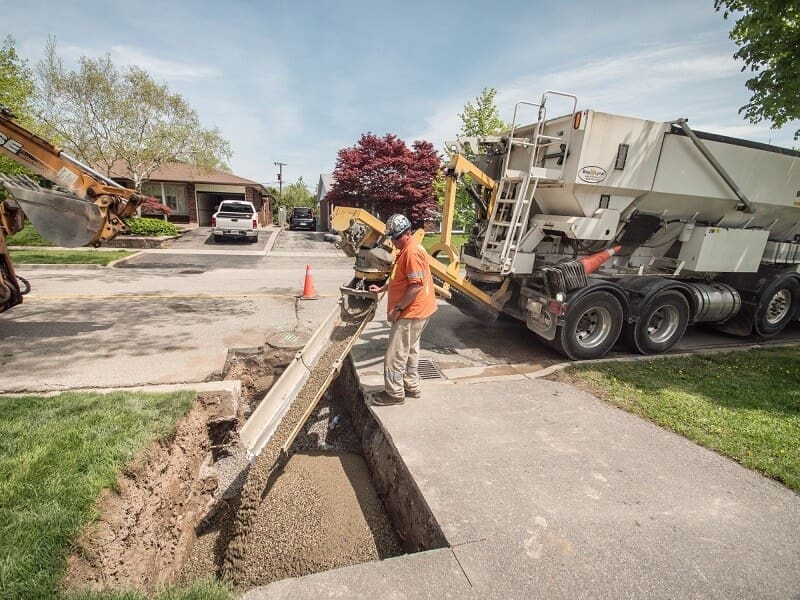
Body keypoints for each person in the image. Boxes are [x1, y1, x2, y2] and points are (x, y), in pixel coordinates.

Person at [368, 213, 438, 406]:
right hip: (420, 311)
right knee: (411, 349)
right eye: (391, 237)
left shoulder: (412, 252)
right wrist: (382, 288)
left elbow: (415, 285)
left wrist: (397, 309)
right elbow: (402, 279)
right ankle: (411, 385)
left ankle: (394, 393)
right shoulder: (407, 248)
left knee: (395, 355)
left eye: (396, 237)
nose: (394, 241)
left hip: (411, 312)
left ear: (407, 233)